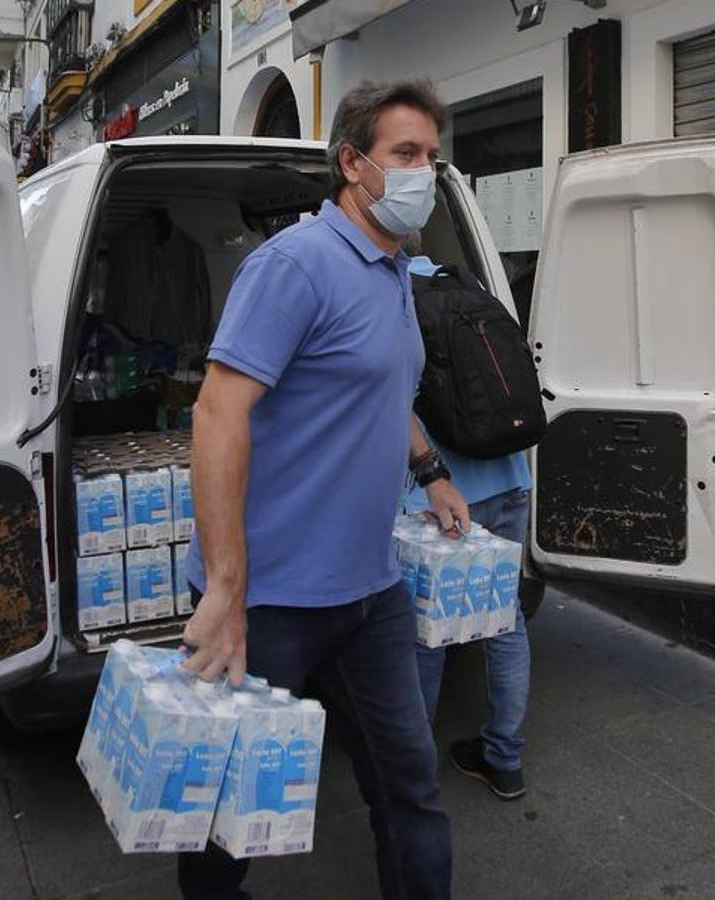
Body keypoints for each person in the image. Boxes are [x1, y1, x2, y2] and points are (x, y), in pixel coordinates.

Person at [177, 80, 469, 900]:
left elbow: (384, 392)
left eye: (432, 158)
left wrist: (431, 470)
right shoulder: (294, 265)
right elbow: (216, 412)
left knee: (408, 786)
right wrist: (228, 587)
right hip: (267, 603)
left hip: (369, 592)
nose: (423, 172)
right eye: (404, 155)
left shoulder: (394, 270)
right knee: (228, 814)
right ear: (351, 163)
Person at [403, 243, 535, 802]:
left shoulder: (388, 297)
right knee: (506, 624)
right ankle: (504, 758)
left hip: (443, 496)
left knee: (427, 638)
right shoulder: (469, 286)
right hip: (510, 480)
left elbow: (392, 402)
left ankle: (414, 769)